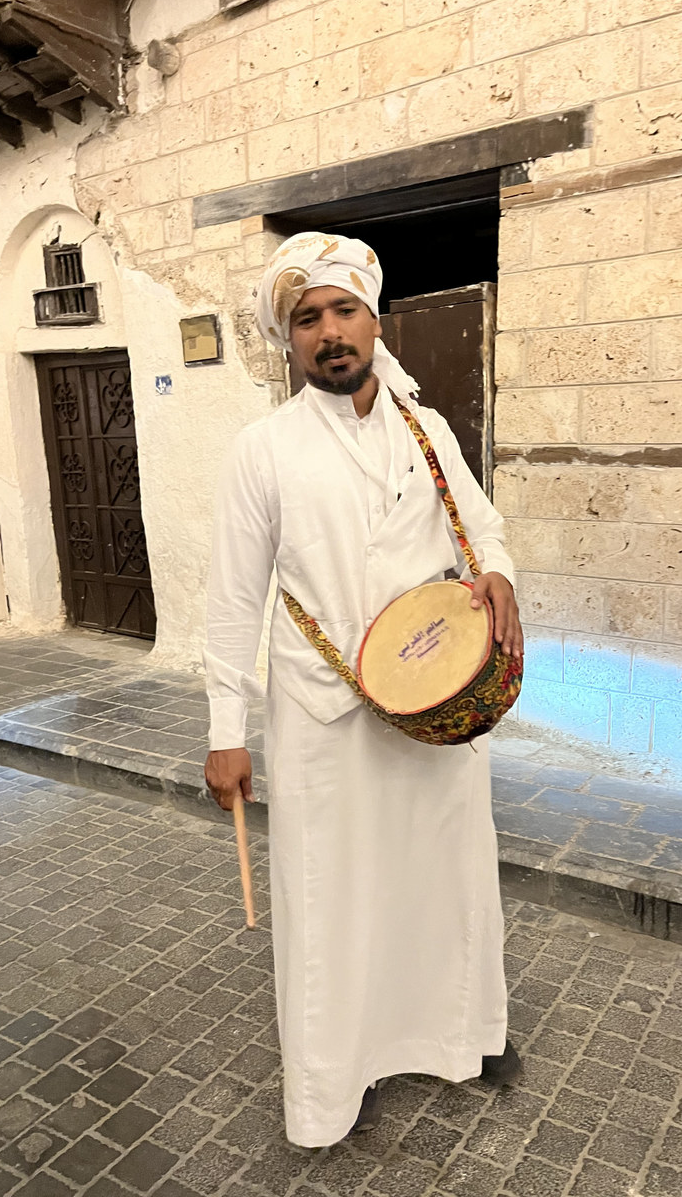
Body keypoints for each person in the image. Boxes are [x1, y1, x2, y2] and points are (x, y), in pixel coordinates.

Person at [204, 231, 525, 1149]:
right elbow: (233, 599)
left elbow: (483, 523)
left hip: (432, 709)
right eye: (308, 319)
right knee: (332, 902)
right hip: (322, 718)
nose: (329, 332)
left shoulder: (428, 429)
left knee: (446, 876)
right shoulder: (263, 450)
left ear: (373, 321)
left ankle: (461, 1035)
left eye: (344, 310)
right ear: (289, 340)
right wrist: (228, 728)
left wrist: (495, 571)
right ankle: (335, 1085)